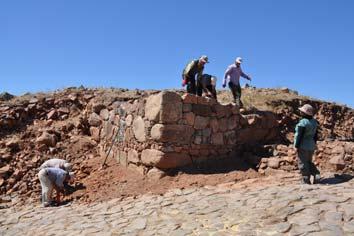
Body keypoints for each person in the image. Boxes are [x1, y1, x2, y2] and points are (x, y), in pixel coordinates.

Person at [294, 104, 321, 184]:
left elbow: (300, 135)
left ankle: (305, 179)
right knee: (309, 162)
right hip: (311, 145)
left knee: (302, 162)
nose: (300, 112)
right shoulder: (314, 122)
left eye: (301, 111)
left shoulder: (303, 122)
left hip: (303, 145)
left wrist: (296, 146)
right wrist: (314, 144)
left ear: (304, 113)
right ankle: (316, 174)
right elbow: (316, 135)